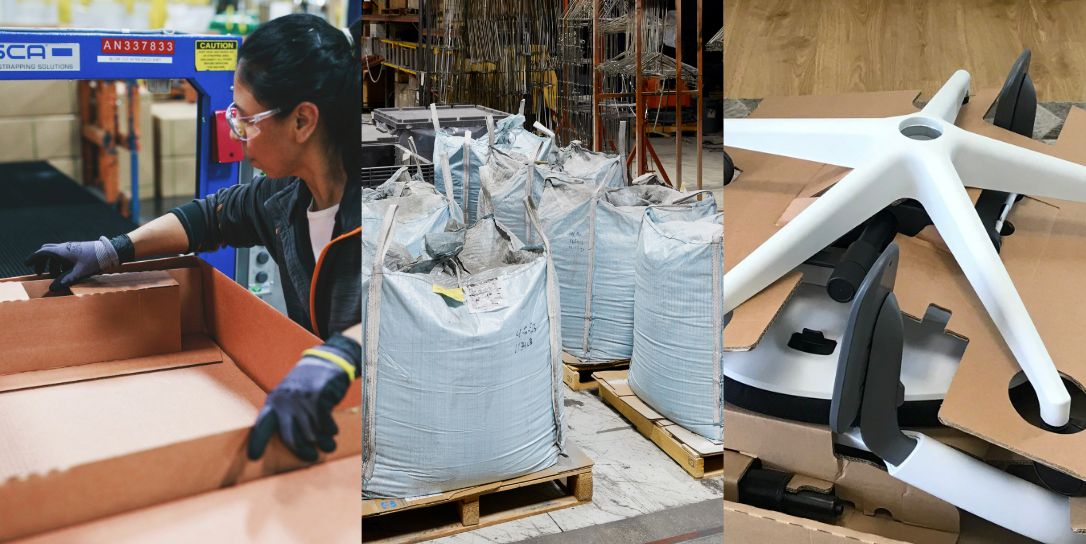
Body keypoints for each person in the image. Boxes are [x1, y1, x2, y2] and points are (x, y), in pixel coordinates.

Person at [24, 14, 363, 464]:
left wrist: (341, 357)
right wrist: (113, 250)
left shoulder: (384, 206)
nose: (239, 140)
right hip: (322, 413)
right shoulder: (286, 196)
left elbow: (409, 315)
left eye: (246, 120)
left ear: (302, 121)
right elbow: (209, 218)